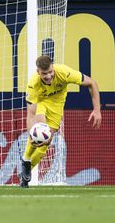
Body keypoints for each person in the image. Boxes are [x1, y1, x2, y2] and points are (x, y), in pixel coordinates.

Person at [20, 55, 102, 188]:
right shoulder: (33, 84)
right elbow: (31, 114)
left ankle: (25, 169)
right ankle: (26, 158)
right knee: (40, 132)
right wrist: (31, 134)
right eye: (44, 74)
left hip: (57, 105)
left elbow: (92, 83)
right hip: (41, 103)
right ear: (38, 72)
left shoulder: (64, 72)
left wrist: (97, 109)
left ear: (53, 67)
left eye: (50, 72)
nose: (48, 76)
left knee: (45, 143)